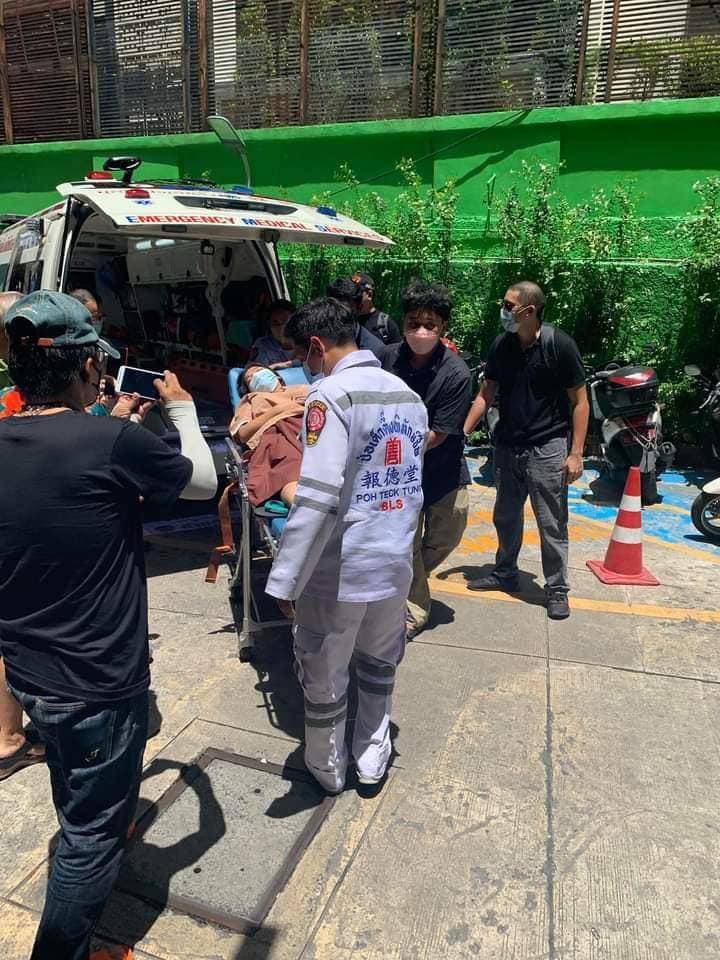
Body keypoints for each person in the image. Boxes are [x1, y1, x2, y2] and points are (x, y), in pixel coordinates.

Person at [0, 291, 217, 960]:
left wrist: (112, 424)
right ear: (89, 365)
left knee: (76, 788)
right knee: (92, 839)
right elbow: (202, 483)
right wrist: (181, 410)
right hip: (98, 679)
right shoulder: (113, 442)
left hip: (28, 670)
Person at [265, 297, 428, 794]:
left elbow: (317, 496)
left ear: (316, 346)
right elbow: (408, 486)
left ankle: (328, 765)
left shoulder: (330, 397)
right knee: (379, 662)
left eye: (301, 355)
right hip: (393, 560)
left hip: (340, 567)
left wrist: (286, 578)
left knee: (323, 667)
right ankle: (373, 756)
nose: (303, 365)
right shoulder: (407, 395)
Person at [464, 281, 589, 621]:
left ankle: (557, 588)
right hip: (508, 446)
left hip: (547, 447)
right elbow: (486, 393)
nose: (503, 311)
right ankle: (505, 571)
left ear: (529, 311)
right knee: (505, 515)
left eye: (509, 306)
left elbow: (580, 402)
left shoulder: (558, 345)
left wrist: (575, 452)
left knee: (551, 521)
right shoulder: (502, 346)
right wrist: (462, 432)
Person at [382, 280, 472, 639]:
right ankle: (414, 611)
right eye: (413, 323)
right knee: (406, 541)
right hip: (396, 475)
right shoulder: (385, 359)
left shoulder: (456, 373)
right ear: (403, 322)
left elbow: (439, 434)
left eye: (429, 324)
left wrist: (394, 450)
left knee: (449, 533)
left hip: (441, 469)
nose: (420, 331)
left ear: (442, 327)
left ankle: (408, 576)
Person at [229, 364, 309, 506]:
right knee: (290, 464)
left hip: (311, 424)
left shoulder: (305, 389)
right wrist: (279, 409)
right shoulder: (252, 399)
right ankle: (304, 507)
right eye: (250, 379)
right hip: (278, 433)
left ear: (276, 376)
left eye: (260, 371)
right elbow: (242, 434)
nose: (257, 376)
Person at [326, 277, 386, 361]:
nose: (337, 314)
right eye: (332, 307)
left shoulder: (376, 351)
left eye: (344, 309)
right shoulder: (315, 340)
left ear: (359, 307)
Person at [351, 272, 402, 345]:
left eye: (356, 294)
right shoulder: (347, 321)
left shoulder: (386, 324)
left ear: (369, 295)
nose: (352, 298)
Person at [249, 298, 296, 367]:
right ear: (269, 325)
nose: (281, 327)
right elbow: (254, 370)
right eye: (275, 323)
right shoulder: (263, 345)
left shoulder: (306, 342)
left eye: (286, 322)